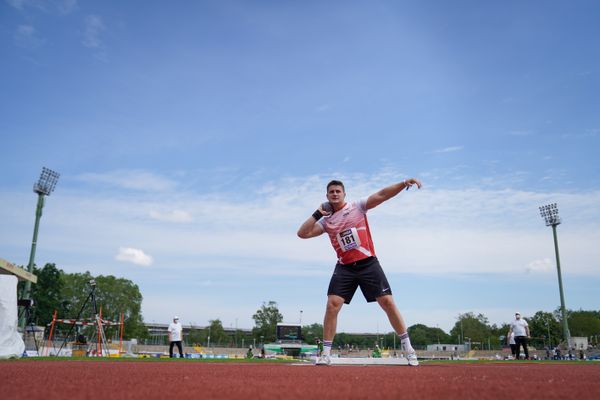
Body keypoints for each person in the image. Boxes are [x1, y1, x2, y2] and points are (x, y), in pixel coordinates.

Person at [297, 178, 422, 366]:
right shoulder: (326, 221)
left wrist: (403, 183)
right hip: (345, 267)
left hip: (368, 263)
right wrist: (317, 214)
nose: (335, 194)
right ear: (327, 196)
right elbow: (302, 233)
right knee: (332, 305)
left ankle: (408, 347)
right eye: (331, 192)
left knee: (387, 302)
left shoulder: (358, 207)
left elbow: (381, 195)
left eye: (338, 191)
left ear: (344, 194)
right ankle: (326, 353)